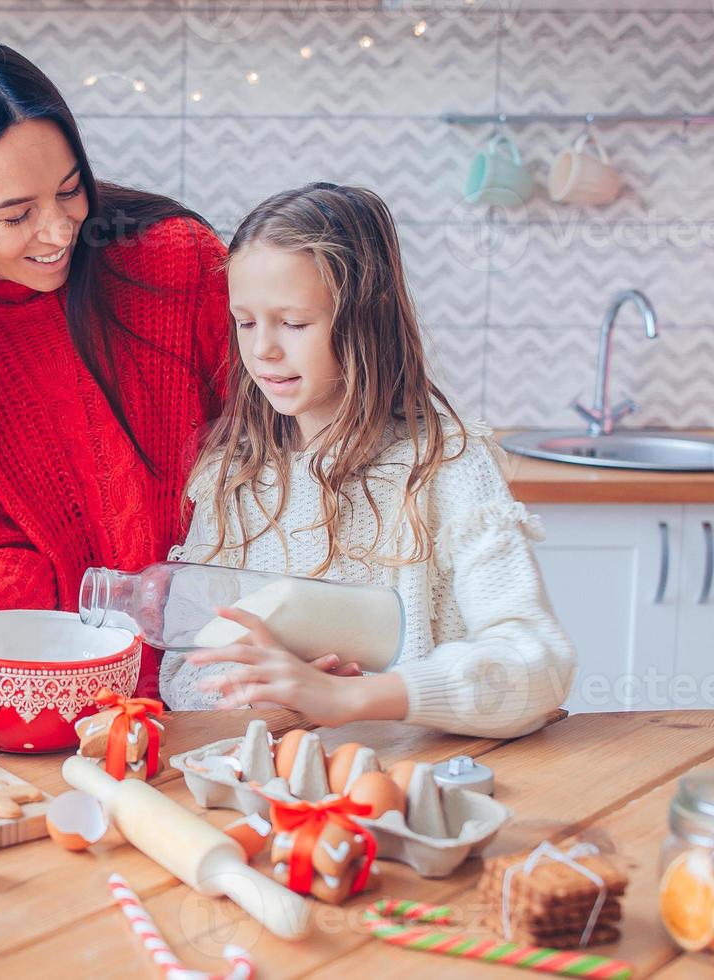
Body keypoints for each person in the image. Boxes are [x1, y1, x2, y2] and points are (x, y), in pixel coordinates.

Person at [161, 182, 575, 738]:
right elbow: (183, 672)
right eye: (246, 321)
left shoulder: (445, 468)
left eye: (294, 322)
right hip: (276, 791)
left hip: (425, 782)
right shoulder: (232, 478)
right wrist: (279, 692)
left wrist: (351, 696)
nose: (263, 350)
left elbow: (538, 665)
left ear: (364, 320)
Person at [0, 41, 230, 705]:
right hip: (76, 696)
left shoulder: (176, 261)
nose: (57, 232)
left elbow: (279, 445)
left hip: (231, 682)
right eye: (17, 215)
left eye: (70, 191)